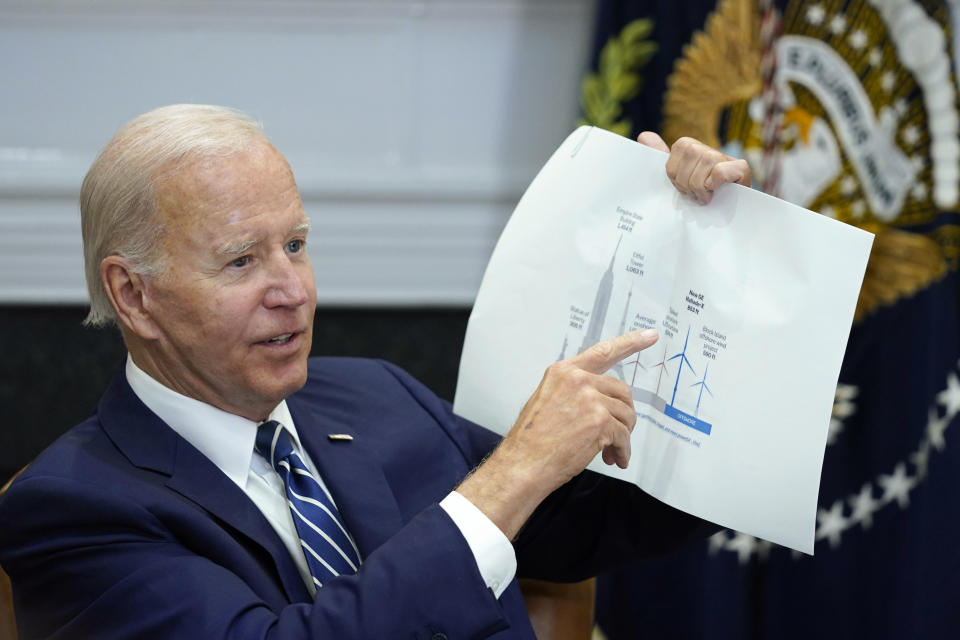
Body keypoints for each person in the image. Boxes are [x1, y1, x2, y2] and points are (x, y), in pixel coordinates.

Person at [0, 105, 749, 639]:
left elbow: (598, 524)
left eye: (295, 244)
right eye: (240, 261)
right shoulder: (71, 510)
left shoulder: (375, 395)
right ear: (134, 294)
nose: (293, 290)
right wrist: (513, 470)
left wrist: (713, 260)